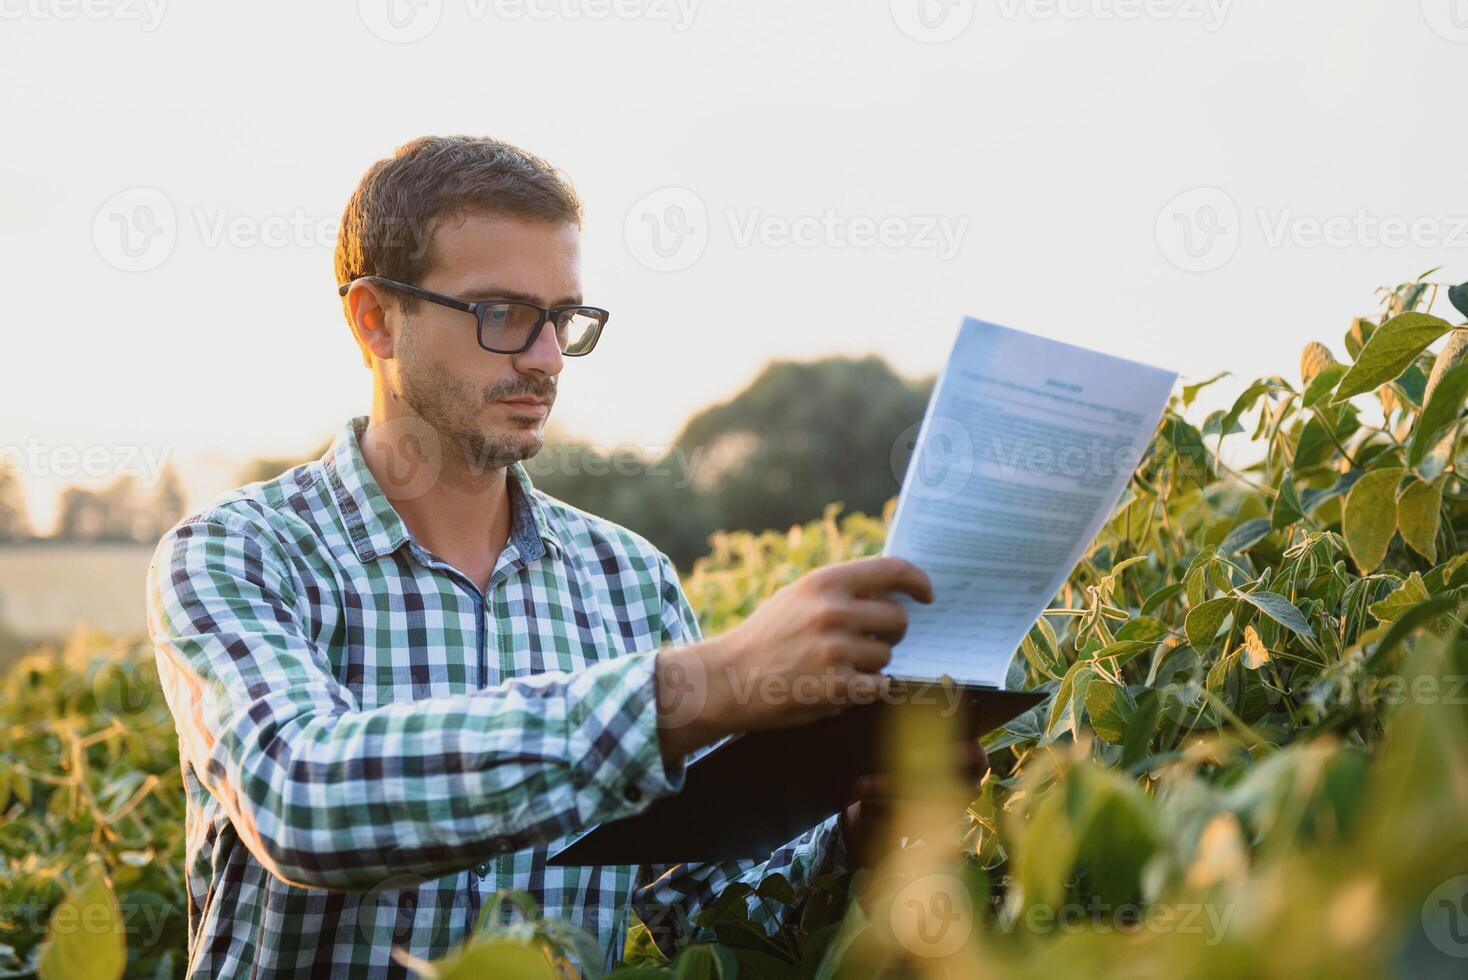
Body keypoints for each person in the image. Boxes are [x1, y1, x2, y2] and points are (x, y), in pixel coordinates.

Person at [145, 135, 979, 978]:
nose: (545, 359)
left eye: (562, 320)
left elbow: (705, 906)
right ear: (375, 319)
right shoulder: (237, 554)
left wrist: (854, 841)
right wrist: (703, 685)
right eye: (501, 314)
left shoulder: (630, 582)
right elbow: (303, 801)